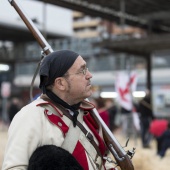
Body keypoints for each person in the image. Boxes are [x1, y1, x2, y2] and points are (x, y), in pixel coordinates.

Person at [2, 50, 115, 170]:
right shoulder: (31, 116)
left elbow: (100, 161)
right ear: (60, 83)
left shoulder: (85, 113)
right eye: (82, 70)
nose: (89, 75)